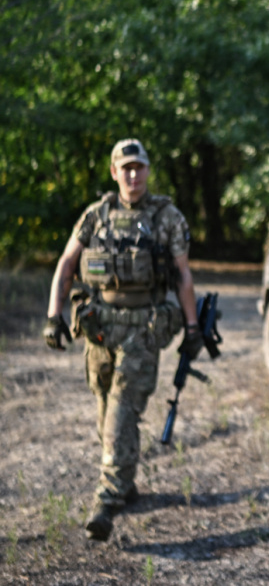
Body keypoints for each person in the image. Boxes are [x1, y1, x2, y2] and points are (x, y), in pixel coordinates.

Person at [43, 138, 204, 541]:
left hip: (143, 326)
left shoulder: (166, 217)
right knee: (103, 407)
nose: (133, 175)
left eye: (140, 167)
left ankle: (106, 499)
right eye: (125, 168)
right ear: (114, 172)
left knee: (122, 408)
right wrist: (53, 316)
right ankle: (126, 481)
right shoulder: (96, 215)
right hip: (99, 326)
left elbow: (183, 275)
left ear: (148, 171)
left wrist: (192, 327)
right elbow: (66, 264)